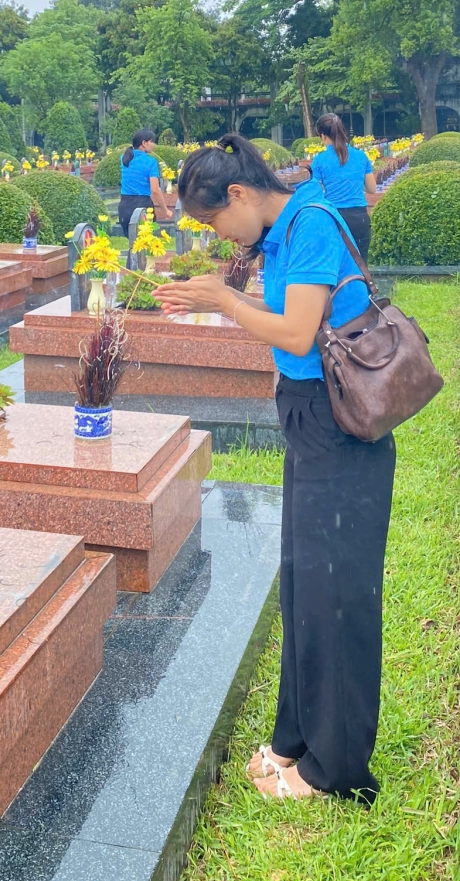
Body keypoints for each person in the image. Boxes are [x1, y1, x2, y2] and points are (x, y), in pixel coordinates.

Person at [158, 134, 395, 803]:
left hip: (338, 423)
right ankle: (297, 740)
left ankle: (333, 770)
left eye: (214, 221)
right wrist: (217, 299)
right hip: (308, 415)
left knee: (336, 595)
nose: (220, 236)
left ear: (238, 194)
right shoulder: (284, 229)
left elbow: (295, 334)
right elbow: (291, 318)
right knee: (304, 587)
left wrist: (224, 301)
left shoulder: (310, 222)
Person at [307, 113, 376, 260]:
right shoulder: (361, 156)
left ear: (323, 136)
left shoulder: (319, 160)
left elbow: (314, 192)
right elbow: (372, 189)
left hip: (333, 219)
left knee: (335, 267)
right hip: (360, 220)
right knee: (360, 267)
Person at [118, 129, 174, 236]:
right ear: (144, 143)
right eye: (152, 142)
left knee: (133, 243)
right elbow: (155, 190)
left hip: (124, 206)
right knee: (145, 241)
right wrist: (166, 210)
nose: (154, 145)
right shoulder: (150, 162)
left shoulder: (123, 158)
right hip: (142, 205)